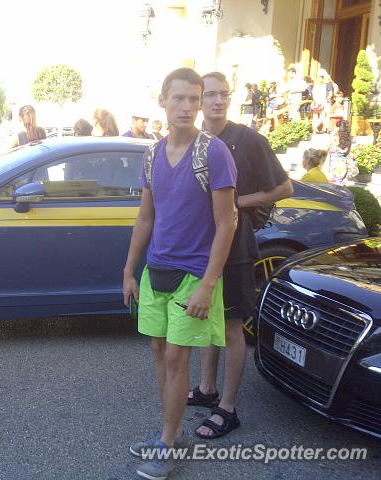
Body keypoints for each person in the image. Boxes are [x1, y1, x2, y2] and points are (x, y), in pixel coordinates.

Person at [123, 68, 238, 479]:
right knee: (159, 353)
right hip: (157, 271)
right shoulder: (153, 153)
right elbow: (145, 219)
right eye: (180, 99)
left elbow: (228, 223)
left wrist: (209, 284)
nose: (188, 106)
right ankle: (167, 430)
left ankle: (168, 443)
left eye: (195, 98)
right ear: (163, 102)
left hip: (194, 275)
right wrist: (129, 271)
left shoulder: (214, 152)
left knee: (175, 357)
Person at [189, 71, 293, 440]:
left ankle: (228, 409)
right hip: (201, 248)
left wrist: (240, 202)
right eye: (211, 95)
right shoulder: (196, 140)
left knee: (232, 327)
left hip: (235, 248)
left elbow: (284, 187)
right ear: (199, 100)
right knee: (206, 322)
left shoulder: (248, 140)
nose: (218, 101)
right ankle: (206, 389)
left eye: (224, 95)